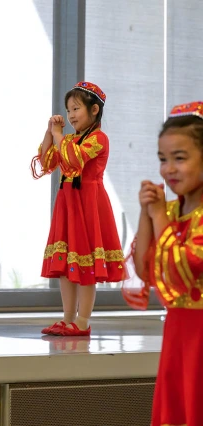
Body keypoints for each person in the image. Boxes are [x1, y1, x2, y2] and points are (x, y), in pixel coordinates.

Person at [125, 101, 203, 425]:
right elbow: (146, 270)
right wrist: (147, 214)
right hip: (178, 334)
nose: (168, 169)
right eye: (162, 159)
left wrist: (157, 215)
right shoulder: (170, 213)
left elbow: (181, 269)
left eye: (179, 158)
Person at [31, 81, 126, 336]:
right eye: (69, 109)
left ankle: (83, 321)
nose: (71, 115)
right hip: (68, 203)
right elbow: (46, 162)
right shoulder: (69, 138)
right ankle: (67, 318)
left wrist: (60, 136)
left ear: (94, 110)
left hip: (88, 204)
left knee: (86, 267)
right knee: (65, 264)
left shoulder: (99, 138)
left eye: (76, 109)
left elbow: (74, 159)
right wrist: (50, 132)